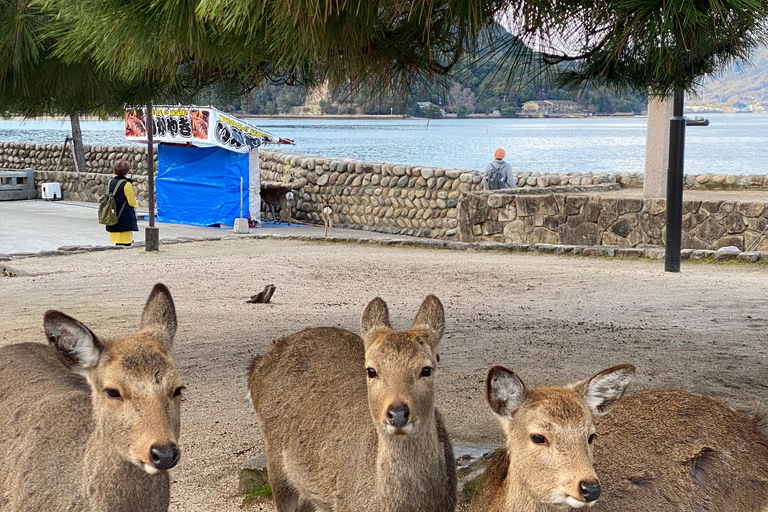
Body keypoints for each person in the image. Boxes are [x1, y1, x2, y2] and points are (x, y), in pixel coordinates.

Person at [106, 159, 139, 246]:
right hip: (124, 219)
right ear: (126, 171)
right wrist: (137, 202)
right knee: (126, 244)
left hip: (113, 218)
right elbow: (131, 202)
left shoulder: (110, 182)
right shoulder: (126, 184)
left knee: (117, 245)